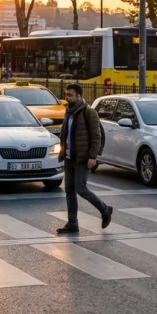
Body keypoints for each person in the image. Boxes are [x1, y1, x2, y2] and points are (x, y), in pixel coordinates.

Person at [55, 83, 112, 234]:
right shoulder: (69, 111)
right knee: (69, 191)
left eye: (70, 95)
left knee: (81, 188)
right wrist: (62, 150)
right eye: (66, 94)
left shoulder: (89, 112)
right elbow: (65, 133)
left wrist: (93, 156)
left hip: (82, 158)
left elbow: (96, 136)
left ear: (79, 96)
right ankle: (72, 223)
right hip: (69, 157)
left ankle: (105, 209)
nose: (67, 98)